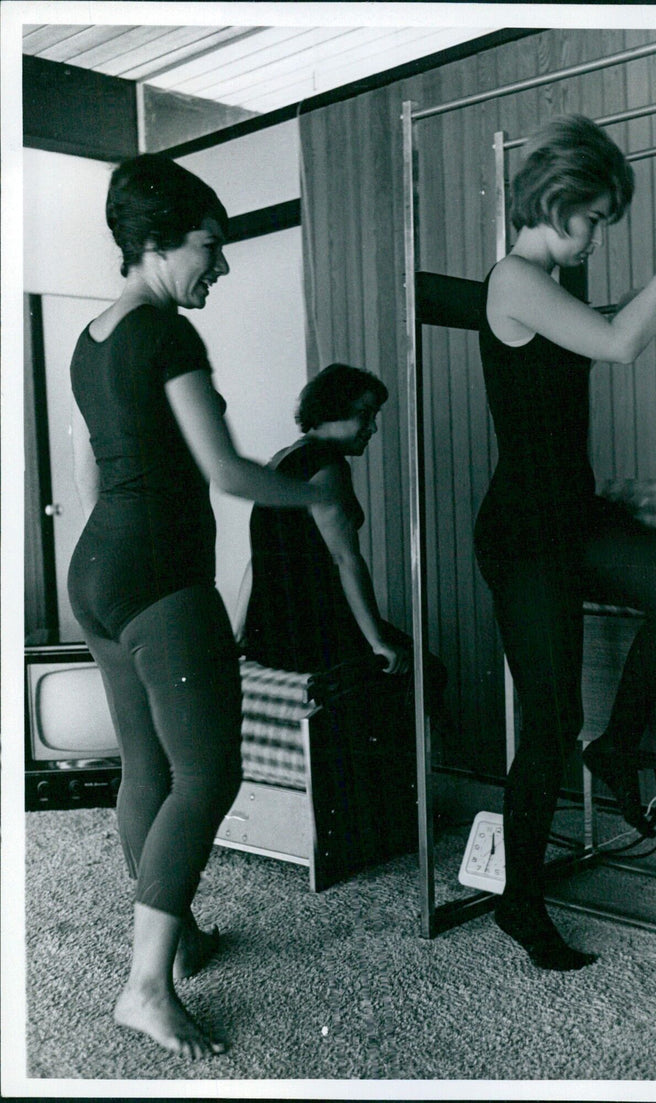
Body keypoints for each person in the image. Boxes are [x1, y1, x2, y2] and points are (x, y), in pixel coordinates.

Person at [68, 154, 329, 1059]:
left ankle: (177, 937)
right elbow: (224, 471)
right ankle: (145, 986)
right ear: (154, 245)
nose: (218, 267)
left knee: (145, 763)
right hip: (161, 577)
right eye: (208, 248)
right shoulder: (168, 336)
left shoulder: (92, 338)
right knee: (209, 773)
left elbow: (90, 473)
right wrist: (319, 497)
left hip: (96, 570)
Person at [473, 114, 656, 972]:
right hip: (524, 532)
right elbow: (625, 343)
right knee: (549, 720)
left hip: (575, 513)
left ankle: (619, 745)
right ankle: (519, 906)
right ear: (554, 201)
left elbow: (621, 320)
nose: (596, 235)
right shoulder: (513, 279)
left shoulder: (551, 281)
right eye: (591, 217)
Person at [242, 362, 446, 709]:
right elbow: (345, 559)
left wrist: (240, 632)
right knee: (429, 673)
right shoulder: (328, 467)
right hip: (313, 632)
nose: (373, 428)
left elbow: (257, 558)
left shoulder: (280, 459)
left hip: (270, 633)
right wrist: (377, 642)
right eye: (364, 415)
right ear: (331, 409)